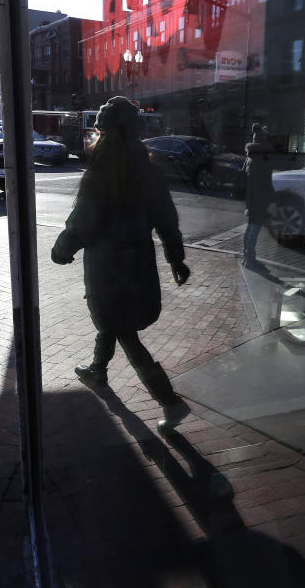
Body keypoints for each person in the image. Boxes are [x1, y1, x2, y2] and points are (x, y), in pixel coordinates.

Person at [51, 96, 192, 430]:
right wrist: (176, 259)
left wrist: (62, 249)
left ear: (107, 132)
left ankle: (169, 400)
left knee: (122, 329)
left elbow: (84, 220)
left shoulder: (102, 172)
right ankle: (98, 370)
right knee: (116, 322)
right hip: (138, 262)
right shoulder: (149, 170)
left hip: (107, 266)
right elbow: (167, 219)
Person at [242, 123, 274, 269]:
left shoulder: (251, 156)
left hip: (252, 198)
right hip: (259, 199)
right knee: (254, 229)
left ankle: (247, 257)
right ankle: (249, 259)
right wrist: (270, 197)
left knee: (250, 228)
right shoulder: (262, 159)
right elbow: (266, 182)